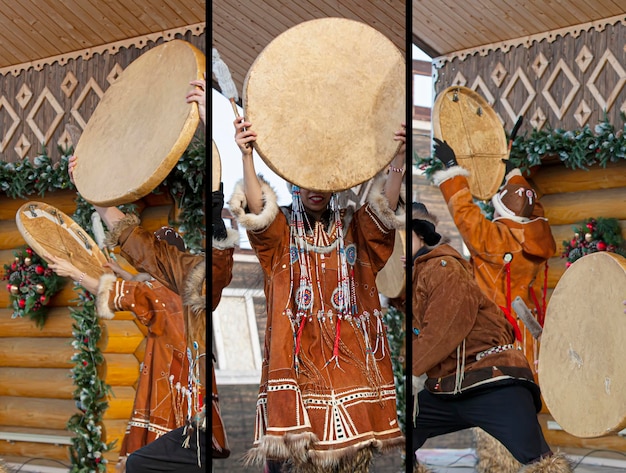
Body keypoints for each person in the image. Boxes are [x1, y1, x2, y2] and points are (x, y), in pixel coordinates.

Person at [65, 76, 227, 472]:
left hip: (184, 414)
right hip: (185, 412)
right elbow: (136, 263)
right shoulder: (173, 283)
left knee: (138, 466)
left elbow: (125, 287)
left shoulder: (178, 287)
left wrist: (73, 268)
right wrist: (90, 190)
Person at [228, 116, 406, 472]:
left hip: (350, 369)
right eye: (306, 180)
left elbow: (384, 217)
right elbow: (258, 210)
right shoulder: (280, 233)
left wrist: (399, 158)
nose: (316, 189)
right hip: (297, 366)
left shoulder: (353, 228)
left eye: (324, 181)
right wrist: (247, 157)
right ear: (293, 181)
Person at [410, 203, 572, 473]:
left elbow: (443, 329)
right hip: (448, 387)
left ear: (422, 236)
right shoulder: (412, 277)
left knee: (541, 462)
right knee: (399, 430)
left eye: (405, 236)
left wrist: (407, 368)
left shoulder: (443, 267)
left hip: (494, 381)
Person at [432, 127, 557, 471]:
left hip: (495, 337)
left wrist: (453, 171)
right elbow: (528, 204)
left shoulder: (497, 240)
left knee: (494, 415)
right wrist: (513, 170)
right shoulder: (535, 237)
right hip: (524, 336)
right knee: (519, 409)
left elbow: (466, 216)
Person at [46, 228, 194, 470]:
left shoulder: (160, 294)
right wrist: (123, 272)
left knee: (150, 460)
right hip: (186, 389)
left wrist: (74, 272)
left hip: (166, 388)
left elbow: (120, 293)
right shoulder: (186, 287)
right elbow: (148, 286)